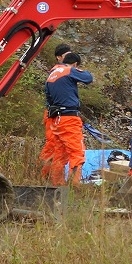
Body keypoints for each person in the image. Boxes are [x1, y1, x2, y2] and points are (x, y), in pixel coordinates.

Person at [41, 49, 93, 186]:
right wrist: (76, 70)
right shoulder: (69, 70)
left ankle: (55, 186)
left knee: (59, 154)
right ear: (75, 64)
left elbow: (49, 100)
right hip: (69, 118)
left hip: (55, 119)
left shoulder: (51, 74)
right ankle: (72, 189)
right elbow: (88, 78)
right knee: (77, 153)